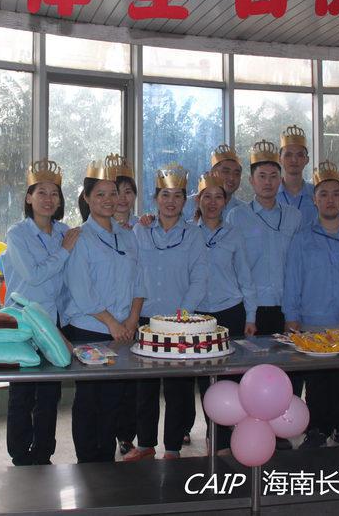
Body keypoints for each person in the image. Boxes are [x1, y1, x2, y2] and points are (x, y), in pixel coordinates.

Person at [124, 164, 208, 461]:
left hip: (179, 321)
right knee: (144, 387)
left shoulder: (194, 235)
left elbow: (199, 278)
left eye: (177, 196)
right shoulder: (140, 230)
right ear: (155, 198)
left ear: (185, 200)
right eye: (165, 195)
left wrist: (182, 316)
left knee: (178, 388)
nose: (171, 201)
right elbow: (132, 272)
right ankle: (145, 444)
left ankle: (172, 448)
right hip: (145, 318)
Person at [63, 161, 145, 463]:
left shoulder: (128, 235)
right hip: (91, 329)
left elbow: (140, 281)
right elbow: (82, 290)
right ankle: (88, 463)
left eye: (113, 193)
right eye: (100, 194)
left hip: (123, 330)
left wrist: (132, 320)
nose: (109, 200)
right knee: (89, 400)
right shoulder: (79, 238)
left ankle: (105, 461)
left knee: (114, 398)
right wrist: (112, 323)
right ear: (86, 198)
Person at [284, 161, 339, 448]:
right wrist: (291, 316)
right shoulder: (302, 239)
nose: (330, 199)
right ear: (315, 199)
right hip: (313, 320)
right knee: (317, 380)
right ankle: (317, 429)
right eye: (324, 194)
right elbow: (293, 279)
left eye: (335, 194)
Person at [1, 160, 81, 465]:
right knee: (21, 392)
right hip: (22, 321)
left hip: (53, 321)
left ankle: (44, 452)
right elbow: (33, 276)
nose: (49, 199)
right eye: (41, 192)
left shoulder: (64, 231)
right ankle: (20, 454)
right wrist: (64, 251)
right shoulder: (17, 234)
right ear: (29, 197)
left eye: (54, 193)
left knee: (49, 393)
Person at [193, 170, 257, 454]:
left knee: (231, 377)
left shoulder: (234, 234)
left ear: (225, 201)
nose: (212, 202)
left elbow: (245, 276)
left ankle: (234, 432)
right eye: (206, 196)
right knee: (204, 378)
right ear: (198, 200)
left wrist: (251, 315)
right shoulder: (187, 232)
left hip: (230, 310)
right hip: (197, 315)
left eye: (218, 197)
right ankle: (214, 435)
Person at [226, 140, 302, 335]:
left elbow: (299, 266)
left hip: (286, 307)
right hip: (248, 308)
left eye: (273, 176)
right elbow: (231, 265)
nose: (268, 182)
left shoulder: (294, 216)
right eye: (262, 176)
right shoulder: (237, 216)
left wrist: (294, 312)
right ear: (251, 180)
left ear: (280, 180)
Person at [106, 153, 140, 456]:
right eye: (117, 191)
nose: (122, 198)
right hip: (102, 319)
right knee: (107, 384)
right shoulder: (93, 230)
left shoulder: (143, 229)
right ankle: (107, 436)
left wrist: (132, 318)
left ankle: (126, 435)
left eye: (128, 191)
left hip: (133, 315)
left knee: (131, 382)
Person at [183, 144, 245, 219]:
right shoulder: (185, 206)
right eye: (226, 172)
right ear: (213, 173)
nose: (232, 178)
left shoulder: (244, 211)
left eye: (237, 173)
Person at [276, 125, 318, 225]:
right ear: (279, 159)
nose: (294, 160)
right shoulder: (271, 193)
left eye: (299, 155)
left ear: (307, 160)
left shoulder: (316, 194)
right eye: (288, 155)